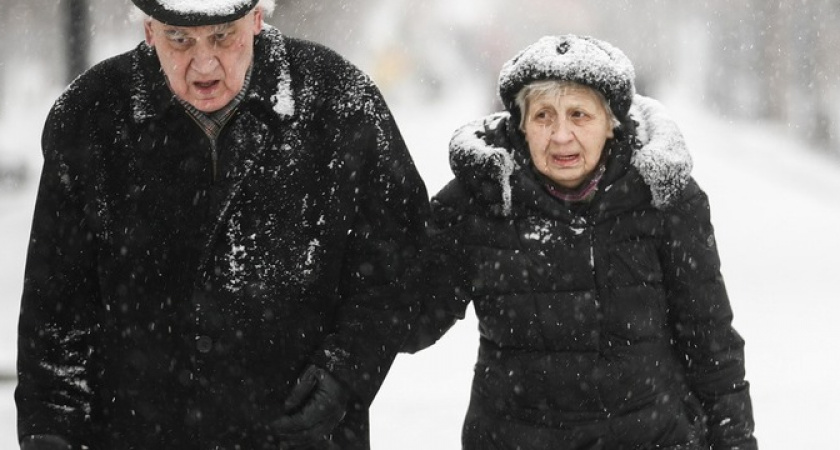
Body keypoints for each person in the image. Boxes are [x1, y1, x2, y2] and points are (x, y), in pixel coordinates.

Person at [15, 1, 429, 449]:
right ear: (150, 30)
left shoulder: (340, 100)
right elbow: (55, 309)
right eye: (179, 39)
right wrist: (49, 433)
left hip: (294, 434)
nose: (204, 65)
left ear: (257, 19)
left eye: (222, 36)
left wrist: (345, 369)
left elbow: (401, 269)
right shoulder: (89, 115)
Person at [403, 35, 758, 449]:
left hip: (652, 437)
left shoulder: (663, 200)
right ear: (521, 124)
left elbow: (711, 343)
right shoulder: (478, 201)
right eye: (543, 116)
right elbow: (409, 321)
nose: (561, 135)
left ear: (611, 123)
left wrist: (735, 441)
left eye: (579, 115)